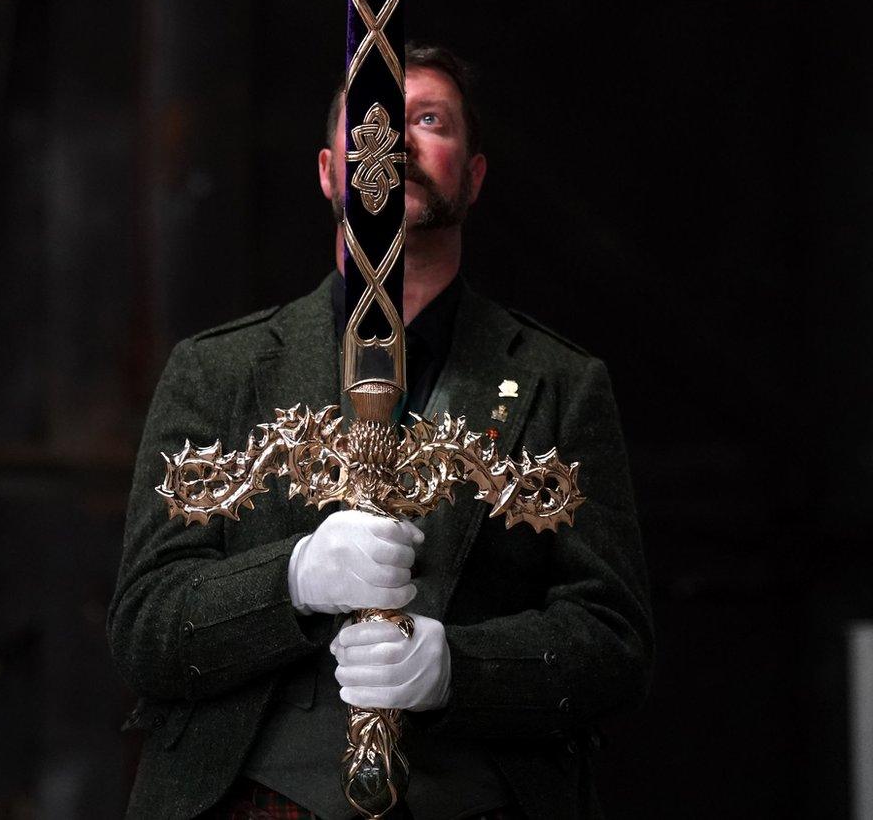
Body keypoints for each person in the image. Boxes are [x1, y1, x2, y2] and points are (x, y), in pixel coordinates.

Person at [108, 44, 653, 820]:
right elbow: (145, 630)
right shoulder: (218, 371)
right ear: (330, 172)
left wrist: (459, 671)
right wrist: (292, 579)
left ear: (473, 175)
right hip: (248, 800)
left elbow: (615, 644)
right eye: (369, 125)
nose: (393, 141)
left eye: (429, 121)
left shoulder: (560, 383)